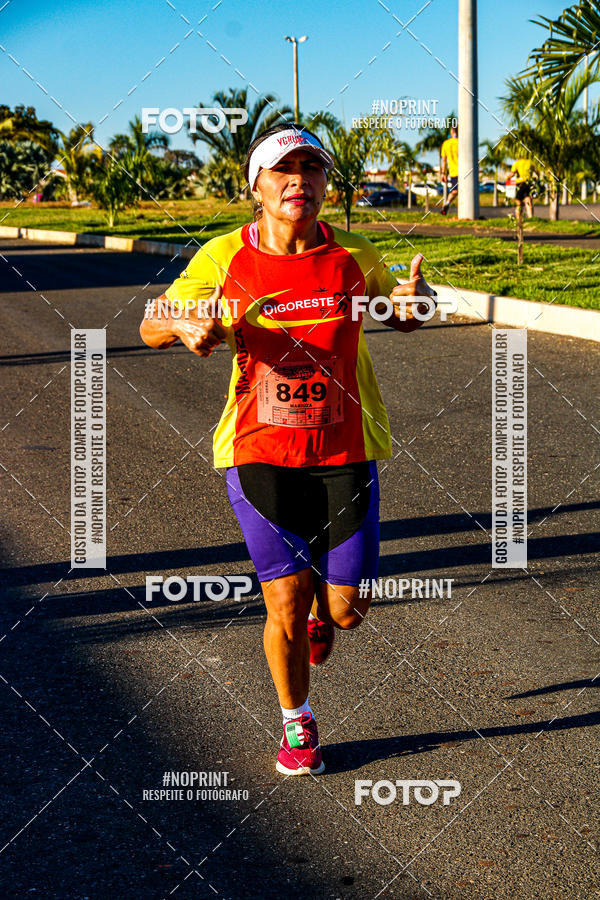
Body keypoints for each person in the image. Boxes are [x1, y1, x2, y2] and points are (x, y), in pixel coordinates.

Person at [139, 123, 436, 776]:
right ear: (257, 186)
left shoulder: (355, 256)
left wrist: (416, 305)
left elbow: (400, 312)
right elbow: (152, 321)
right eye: (283, 169)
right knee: (285, 602)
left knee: (346, 611)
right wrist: (185, 322)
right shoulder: (223, 256)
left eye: (312, 168)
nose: (299, 179)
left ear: (327, 184)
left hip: (346, 451)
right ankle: (296, 723)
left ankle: (323, 620)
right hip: (258, 453)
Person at [440, 124, 459, 216]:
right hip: (464, 171)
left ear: (452, 132)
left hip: (453, 172)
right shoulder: (461, 142)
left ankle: (447, 203)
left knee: (455, 191)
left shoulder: (446, 144)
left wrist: (443, 173)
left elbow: (444, 160)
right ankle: (447, 204)